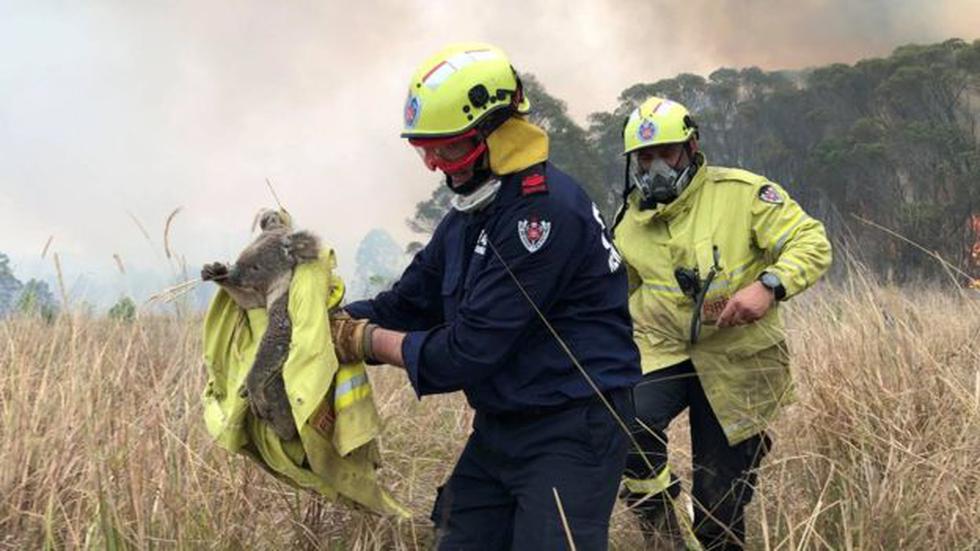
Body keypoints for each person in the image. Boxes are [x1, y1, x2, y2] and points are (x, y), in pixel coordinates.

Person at [329, 43, 641, 550]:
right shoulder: (467, 215)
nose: (435, 166)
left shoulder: (540, 217)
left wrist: (365, 342)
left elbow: (468, 351)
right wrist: (322, 321)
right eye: (424, 150)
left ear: (497, 131)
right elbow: (405, 303)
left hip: (573, 425)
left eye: (449, 149)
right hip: (502, 426)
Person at [611, 96, 832, 549]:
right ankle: (665, 534)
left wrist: (769, 286)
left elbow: (811, 242)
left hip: (737, 358)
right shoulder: (627, 224)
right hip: (664, 351)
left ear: (691, 147)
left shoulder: (743, 193)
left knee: (719, 503)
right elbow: (616, 296)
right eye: (644, 157)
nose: (654, 168)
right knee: (622, 426)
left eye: (665, 153)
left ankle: (723, 497)